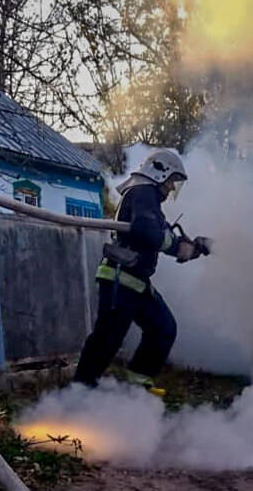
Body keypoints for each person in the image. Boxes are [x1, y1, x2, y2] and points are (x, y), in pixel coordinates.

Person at [73, 149, 209, 393]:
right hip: (119, 279)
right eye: (171, 181)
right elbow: (146, 230)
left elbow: (159, 232)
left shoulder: (150, 201)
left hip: (135, 281)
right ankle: (79, 395)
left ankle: (136, 388)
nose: (171, 188)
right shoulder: (143, 191)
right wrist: (178, 248)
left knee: (163, 328)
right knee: (107, 339)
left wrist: (192, 248)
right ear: (159, 172)